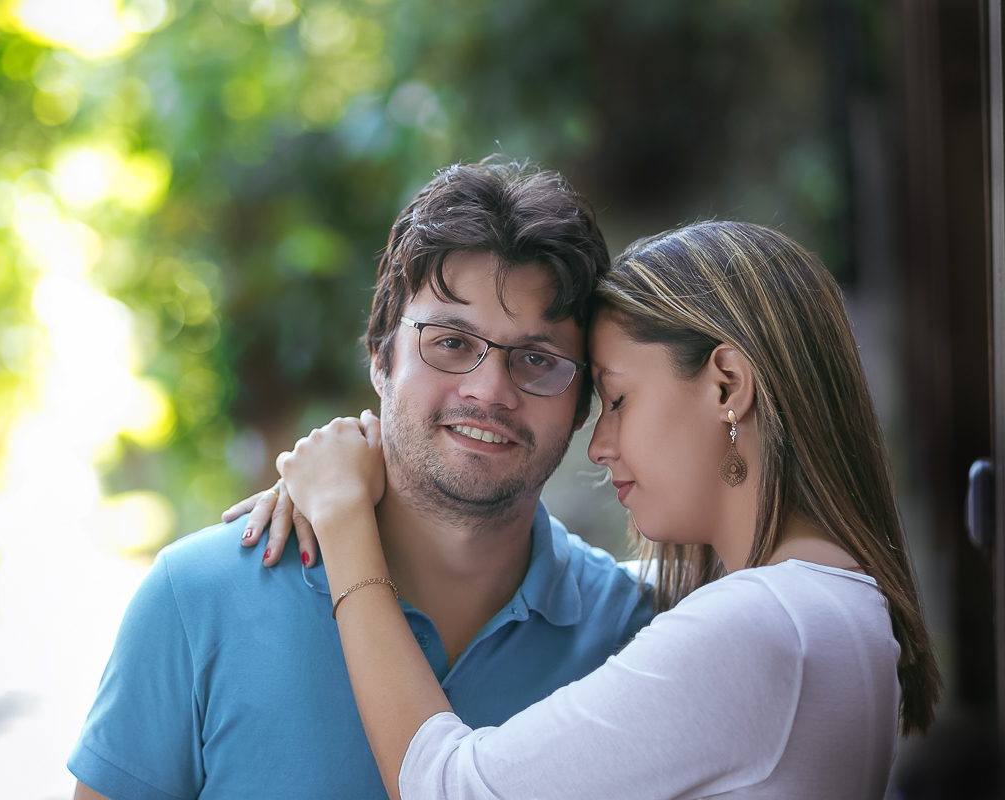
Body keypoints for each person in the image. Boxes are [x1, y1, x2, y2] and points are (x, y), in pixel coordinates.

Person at [271, 220, 942, 799]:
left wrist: (343, 512)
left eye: (617, 400)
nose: (598, 445)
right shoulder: (836, 608)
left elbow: (450, 787)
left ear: (727, 387)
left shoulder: (761, 631)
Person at [68, 158, 654, 800]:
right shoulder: (196, 598)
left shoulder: (639, 635)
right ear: (381, 356)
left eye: (537, 360)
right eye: (451, 342)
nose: (489, 390)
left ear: (580, 406)